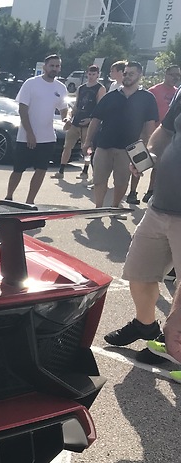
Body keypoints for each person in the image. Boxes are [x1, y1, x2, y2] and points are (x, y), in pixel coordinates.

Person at [102, 84, 181, 364]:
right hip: (160, 206)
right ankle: (146, 325)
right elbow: (166, 130)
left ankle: (174, 345)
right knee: (139, 272)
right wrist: (149, 154)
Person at [83, 61, 158, 212]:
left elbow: (150, 125)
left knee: (122, 182)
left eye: (131, 73)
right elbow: (96, 119)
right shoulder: (111, 96)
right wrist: (87, 142)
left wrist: (147, 148)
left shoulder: (147, 98)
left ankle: (115, 209)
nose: (127, 76)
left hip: (128, 148)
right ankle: (98, 209)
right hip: (104, 145)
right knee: (99, 180)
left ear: (139, 75)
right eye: (125, 73)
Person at [4, 54, 68, 205]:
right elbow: (22, 110)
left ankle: (30, 201)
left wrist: (66, 118)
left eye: (57, 66)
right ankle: (8, 197)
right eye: (51, 65)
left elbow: (64, 108)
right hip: (25, 137)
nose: (54, 68)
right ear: (44, 67)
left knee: (41, 170)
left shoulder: (61, 88)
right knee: (18, 170)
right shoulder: (31, 83)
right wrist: (30, 134)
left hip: (47, 138)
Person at [135, 65, 180, 203]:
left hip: (172, 141)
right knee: (146, 164)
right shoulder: (154, 91)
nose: (176, 78)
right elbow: (165, 126)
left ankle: (151, 191)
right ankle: (133, 192)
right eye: (173, 75)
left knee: (159, 167)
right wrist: (148, 147)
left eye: (178, 75)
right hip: (155, 133)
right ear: (166, 74)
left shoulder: (176, 91)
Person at [54, 65, 105, 181]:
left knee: (86, 148)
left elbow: (100, 107)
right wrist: (69, 118)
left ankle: (85, 171)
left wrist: (91, 119)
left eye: (94, 74)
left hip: (88, 123)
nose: (91, 76)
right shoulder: (81, 88)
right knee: (67, 146)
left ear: (98, 75)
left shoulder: (100, 88)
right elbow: (76, 105)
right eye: (89, 74)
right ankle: (61, 170)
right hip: (76, 121)